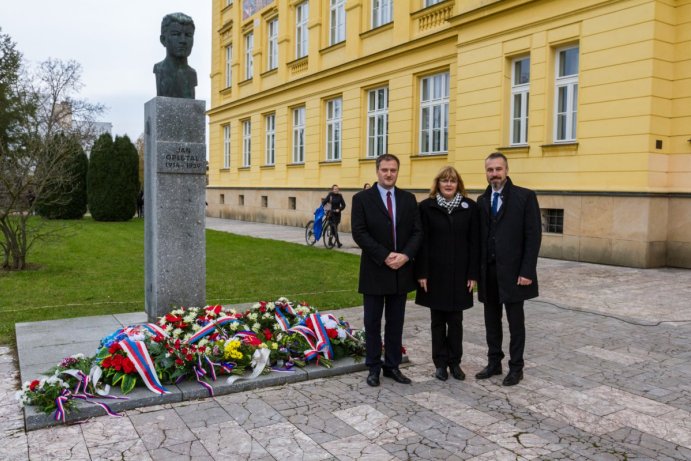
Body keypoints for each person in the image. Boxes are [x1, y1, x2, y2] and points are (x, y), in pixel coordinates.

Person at [351, 154, 423, 387]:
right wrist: (384, 255)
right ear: (377, 171)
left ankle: (392, 366)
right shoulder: (362, 199)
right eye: (384, 170)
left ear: (397, 171)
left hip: (400, 270)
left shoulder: (408, 199)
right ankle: (373, 366)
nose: (389, 174)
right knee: (372, 322)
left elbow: (417, 232)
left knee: (395, 321)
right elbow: (359, 232)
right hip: (375, 268)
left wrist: (405, 255)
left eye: (393, 170)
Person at [476, 152, 542, 386]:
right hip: (489, 273)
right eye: (490, 170)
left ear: (506, 170)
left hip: (515, 273)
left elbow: (533, 237)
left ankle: (516, 367)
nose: (494, 174)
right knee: (491, 321)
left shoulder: (524, 197)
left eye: (498, 169)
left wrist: (527, 271)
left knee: (516, 322)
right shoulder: (482, 201)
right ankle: (494, 362)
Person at [415, 166, 479, 382]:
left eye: (452, 180)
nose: (449, 184)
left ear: (458, 183)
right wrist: (421, 272)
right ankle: (440, 364)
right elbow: (421, 242)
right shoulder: (426, 207)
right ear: (438, 184)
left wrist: (473, 274)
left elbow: (474, 243)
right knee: (438, 320)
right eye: (444, 180)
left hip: (460, 275)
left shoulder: (469, 207)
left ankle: (455, 362)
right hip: (435, 274)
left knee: (456, 320)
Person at [154, 12, 198, 99]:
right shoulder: (159, 69)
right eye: (176, 34)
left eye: (188, 35)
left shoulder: (192, 74)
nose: (183, 40)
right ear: (163, 40)